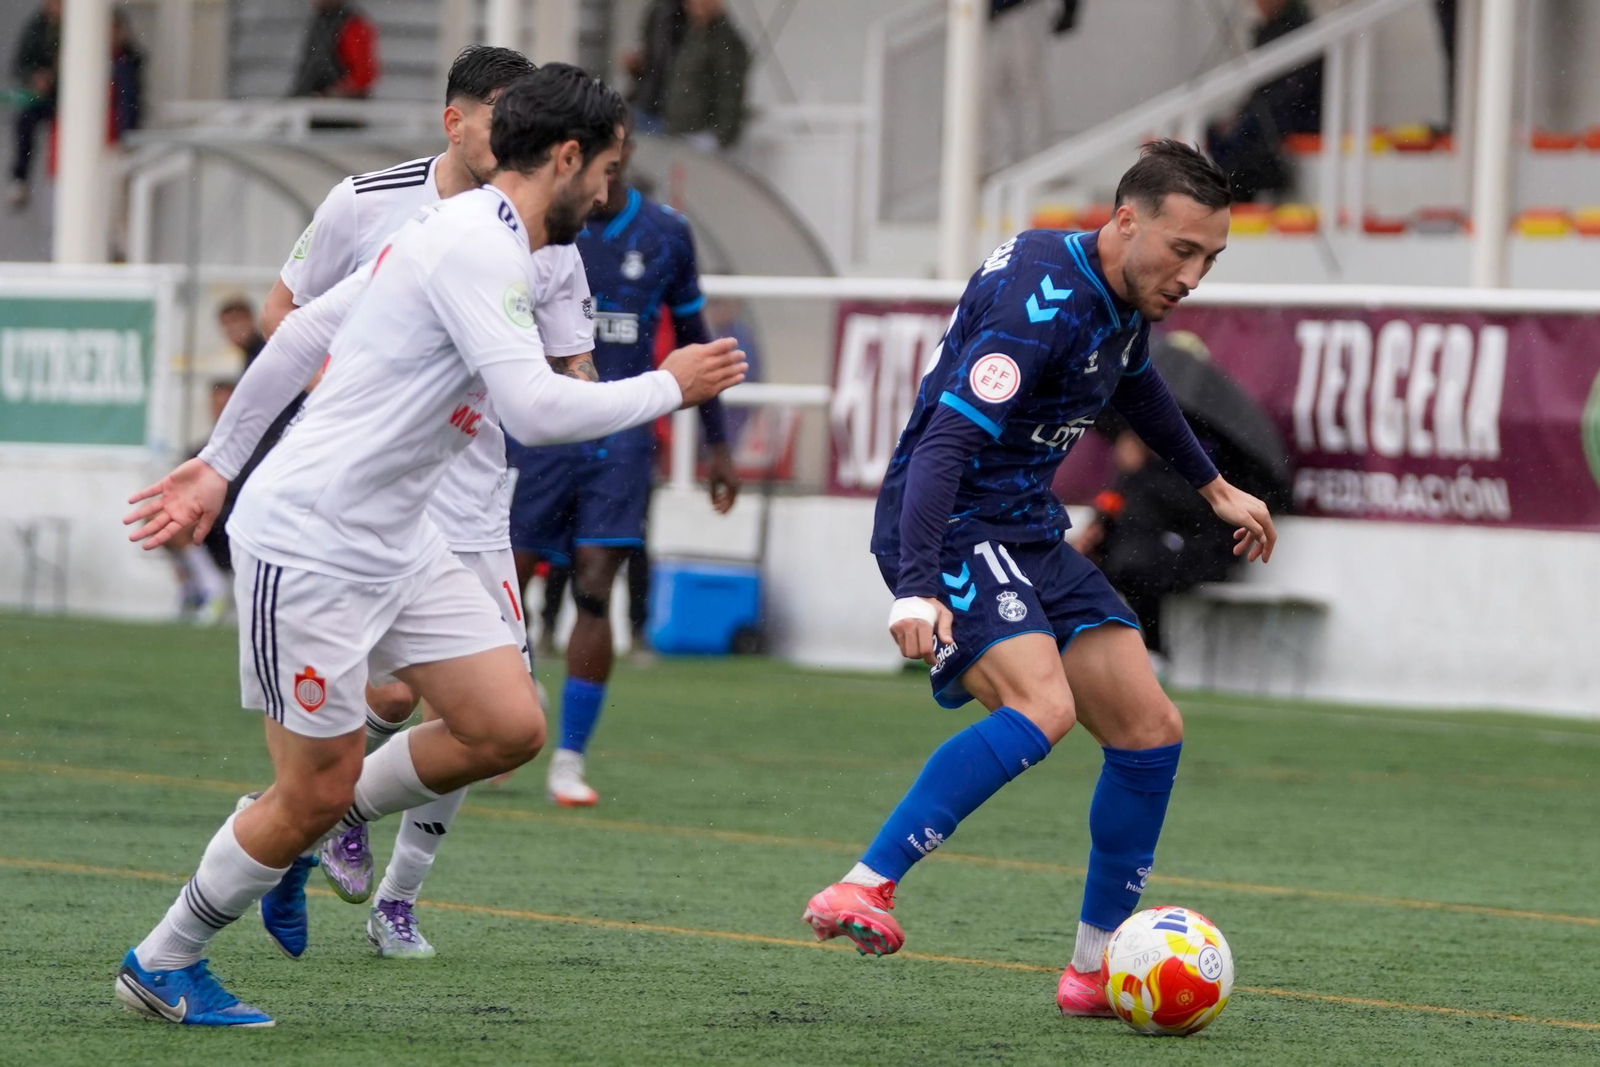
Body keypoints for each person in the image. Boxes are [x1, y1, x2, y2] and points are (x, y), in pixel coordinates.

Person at [115, 67, 746, 1028]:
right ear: (566, 159)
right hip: (313, 540)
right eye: (608, 172)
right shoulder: (468, 246)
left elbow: (304, 340)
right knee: (311, 790)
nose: (612, 197)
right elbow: (533, 410)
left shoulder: (489, 241)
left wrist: (214, 463)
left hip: (399, 537)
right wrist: (668, 386)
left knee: (507, 725)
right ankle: (164, 958)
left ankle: (306, 819)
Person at [800, 141, 1276, 1018]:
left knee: (1150, 730)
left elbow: (1135, 386)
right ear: (1127, 221)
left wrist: (1213, 487)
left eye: (1211, 258)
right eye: (1184, 250)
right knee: (1043, 708)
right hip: (952, 525)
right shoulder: (1041, 300)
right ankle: (864, 885)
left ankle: (1093, 970)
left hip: (1028, 529)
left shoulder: (1121, 292)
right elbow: (943, 446)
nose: (1195, 274)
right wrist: (914, 584)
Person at [260, 47, 601, 962]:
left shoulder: (548, 236)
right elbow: (283, 317)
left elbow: (570, 363)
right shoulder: (366, 201)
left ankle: (395, 899)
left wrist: (590, 387)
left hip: (474, 500)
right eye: (502, 114)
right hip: (362, 492)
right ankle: (308, 821)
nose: (517, 134)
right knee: (396, 690)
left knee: (495, 716)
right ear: (457, 121)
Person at [508, 116, 739, 806]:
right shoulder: (529, 220)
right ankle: (509, 695)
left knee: (593, 584)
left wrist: (719, 441)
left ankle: (568, 760)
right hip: (541, 428)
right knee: (501, 584)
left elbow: (697, 337)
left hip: (622, 436)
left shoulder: (665, 233)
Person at [1072, 427, 1240, 656]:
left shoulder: (1169, 477)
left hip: (1188, 560)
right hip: (1138, 561)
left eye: (1128, 442)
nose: (1119, 450)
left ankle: (1153, 647)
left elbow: (1147, 526)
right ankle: (1089, 645)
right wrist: (1095, 531)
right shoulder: (1126, 480)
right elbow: (1115, 524)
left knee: (1134, 569)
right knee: (1090, 569)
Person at [1206, 0, 1321, 201]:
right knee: (1216, 130)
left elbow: (1296, 89)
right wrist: (1239, 114)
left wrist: (1250, 115)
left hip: (1299, 114)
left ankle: (1246, 191)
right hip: (1273, 109)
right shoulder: (1266, 31)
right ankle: (1233, 192)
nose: (1257, 4)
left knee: (1245, 133)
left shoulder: (1302, 31)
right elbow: (1259, 87)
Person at [663, 0, 749, 151]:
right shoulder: (694, 34)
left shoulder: (725, 41)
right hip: (680, 129)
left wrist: (720, 136)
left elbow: (730, 93)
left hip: (703, 134)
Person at [7, 0, 59, 211]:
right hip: (40, 97)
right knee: (24, 123)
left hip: (65, 98)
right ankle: (20, 178)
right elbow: (19, 64)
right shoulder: (36, 28)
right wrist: (35, 77)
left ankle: (59, 179)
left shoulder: (73, 27)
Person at [289, 0, 379, 100]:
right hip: (316, 102)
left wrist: (337, 92)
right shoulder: (320, 21)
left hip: (340, 107)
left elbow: (364, 73)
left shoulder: (351, 23)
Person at [620, 0, 685, 134]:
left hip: (673, 113)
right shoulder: (658, 9)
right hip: (644, 103)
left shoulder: (693, 13)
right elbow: (651, 57)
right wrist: (636, 66)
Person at [217, 296, 268, 365]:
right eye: (225, 324)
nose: (231, 329)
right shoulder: (249, 353)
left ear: (250, 319)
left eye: (234, 321)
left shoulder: (264, 352)